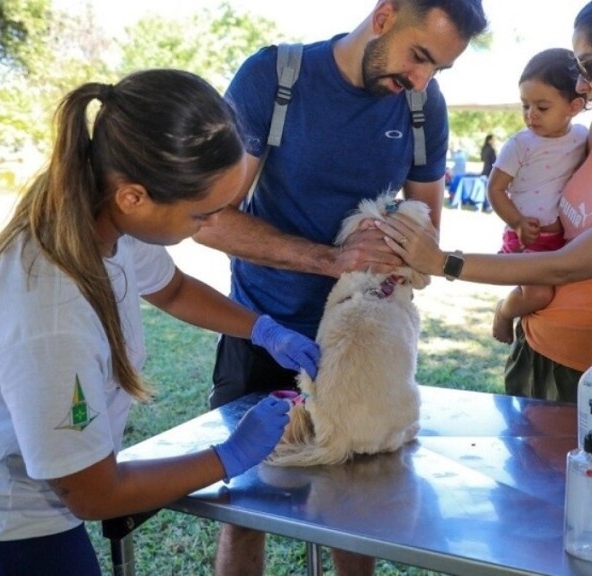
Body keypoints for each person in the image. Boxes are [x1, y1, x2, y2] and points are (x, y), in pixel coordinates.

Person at [0, 69, 321, 576]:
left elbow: (173, 289)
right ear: (134, 196)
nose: (213, 225)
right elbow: (93, 493)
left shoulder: (104, 223)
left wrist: (264, 329)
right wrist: (229, 456)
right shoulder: (48, 312)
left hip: (34, 520)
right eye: (203, 214)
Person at [192, 1, 488, 574]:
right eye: (419, 56)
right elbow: (209, 219)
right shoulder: (275, 78)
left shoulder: (423, 106)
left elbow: (423, 228)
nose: (421, 81)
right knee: (244, 502)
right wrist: (331, 258)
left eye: (437, 71)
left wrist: (405, 249)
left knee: (356, 514)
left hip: (362, 346)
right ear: (384, 16)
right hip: (264, 329)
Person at [376, 0, 592, 401]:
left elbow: (567, 266)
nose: (581, 86)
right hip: (533, 342)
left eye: (586, 65)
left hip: (586, 373)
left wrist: (443, 262)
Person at [486, 48, 588, 345]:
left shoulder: (583, 137)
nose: (530, 115)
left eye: (542, 107)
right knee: (540, 295)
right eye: (525, 105)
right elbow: (495, 188)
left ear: (575, 106)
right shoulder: (520, 145)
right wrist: (517, 222)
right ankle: (504, 312)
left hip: (559, 241)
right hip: (526, 237)